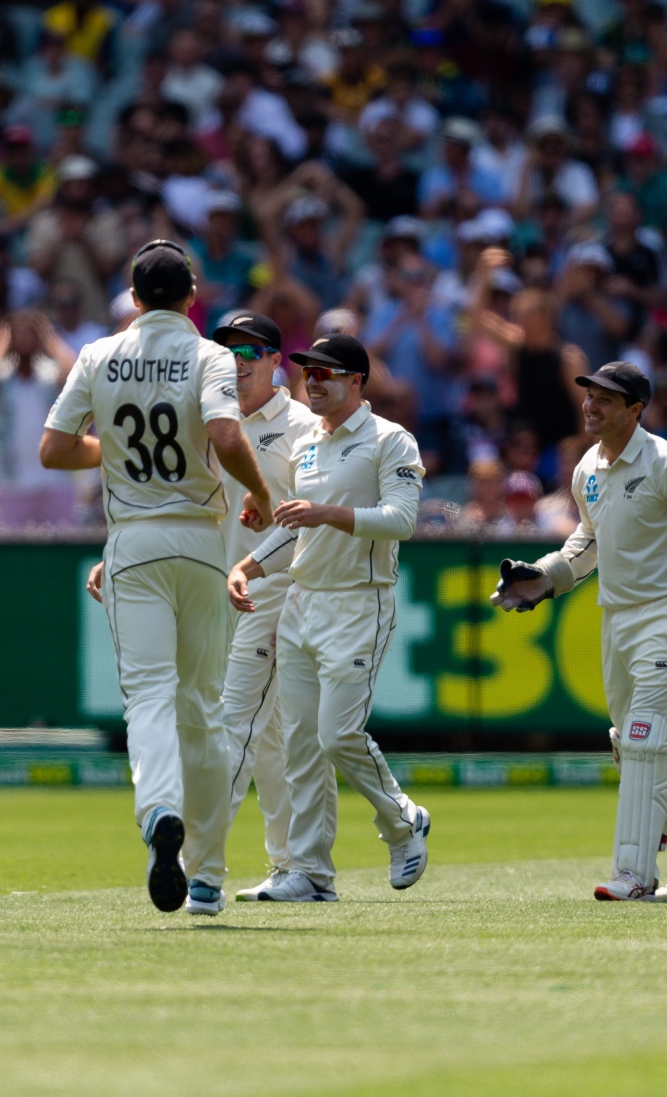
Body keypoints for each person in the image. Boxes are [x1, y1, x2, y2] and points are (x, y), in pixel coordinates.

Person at [45, 241, 273, 915]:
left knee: (147, 697)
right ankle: (206, 876)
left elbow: (53, 449)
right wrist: (259, 493)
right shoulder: (209, 356)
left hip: (133, 543)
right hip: (200, 542)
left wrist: (113, 451)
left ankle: (159, 812)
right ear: (193, 295)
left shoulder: (97, 355)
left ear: (134, 295)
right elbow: (226, 437)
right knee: (202, 709)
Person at [490, 361, 667, 901]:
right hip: (615, 618)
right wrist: (544, 577)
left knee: (644, 741)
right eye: (589, 396)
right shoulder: (587, 468)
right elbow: (587, 543)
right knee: (633, 745)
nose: (591, 406)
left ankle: (633, 875)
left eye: (606, 399)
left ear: (634, 410)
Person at [226, 332, 432, 903]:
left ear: (356, 381)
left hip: (360, 600)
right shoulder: (308, 446)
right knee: (300, 745)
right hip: (302, 602)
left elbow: (401, 520)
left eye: (325, 374)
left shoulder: (390, 439)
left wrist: (326, 512)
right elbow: (295, 528)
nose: (312, 382)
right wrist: (248, 565)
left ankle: (402, 819)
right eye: (308, 373)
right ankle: (311, 873)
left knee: (338, 735)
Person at [192, 312, 319, 900]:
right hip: (216, 594)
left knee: (234, 723)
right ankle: (296, 866)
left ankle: (198, 868)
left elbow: (311, 518)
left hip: (276, 592)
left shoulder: (303, 426)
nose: (238, 364)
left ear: (274, 360)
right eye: (228, 354)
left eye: (250, 353)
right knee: (269, 741)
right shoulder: (207, 420)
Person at [0, 309, 78, 527]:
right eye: (19, 334)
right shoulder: (1, 375)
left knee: (64, 541)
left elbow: (77, 374)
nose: (25, 339)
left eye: (30, 333)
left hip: (55, 477)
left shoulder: (50, 372)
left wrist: (50, 339)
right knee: (12, 544)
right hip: (12, 480)